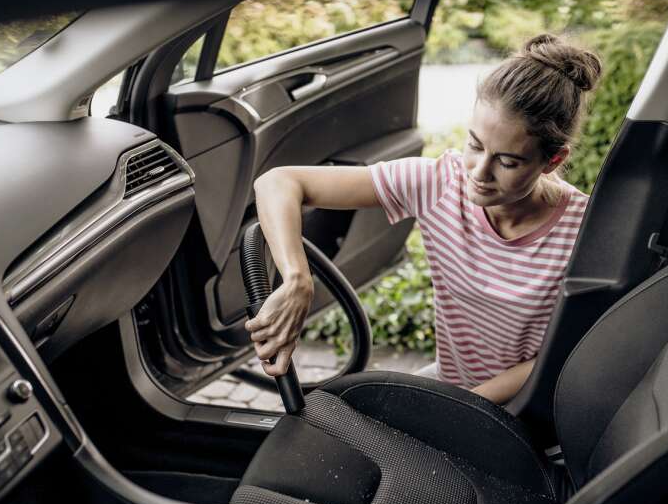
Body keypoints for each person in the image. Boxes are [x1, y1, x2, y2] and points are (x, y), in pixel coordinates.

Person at [246, 33, 602, 405]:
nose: (479, 172)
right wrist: (297, 279)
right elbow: (277, 183)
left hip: (527, 409)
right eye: (475, 145)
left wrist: (455, 409)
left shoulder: (585, 231)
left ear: (553, 161)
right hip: (452, 388)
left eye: (508, 161)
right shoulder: (439, 184)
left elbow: (564, 352)